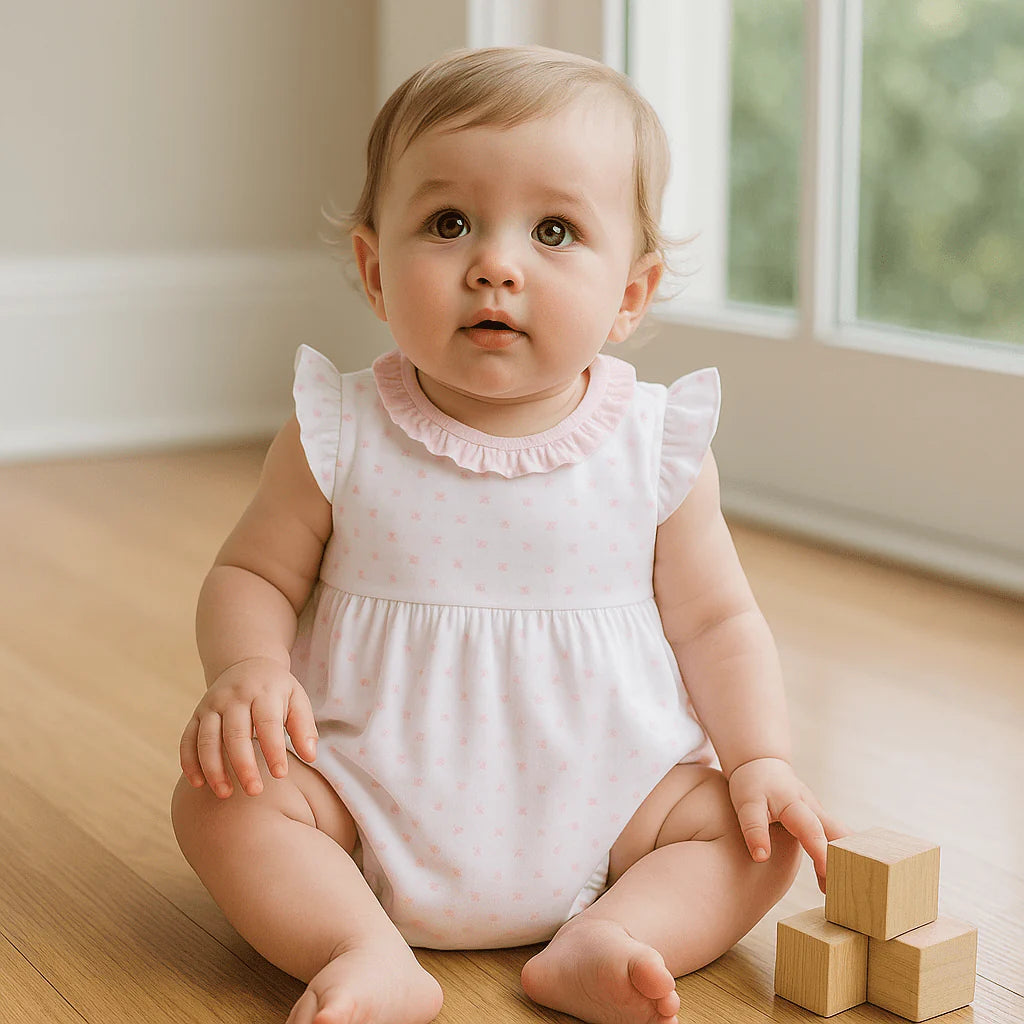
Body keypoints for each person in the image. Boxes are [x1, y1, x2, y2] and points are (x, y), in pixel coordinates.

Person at [171, 45, 845, 1024]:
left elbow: (717, 623)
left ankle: (612, 936)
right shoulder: (338, 430)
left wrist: (760, 759)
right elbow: (252, 574)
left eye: (556, 229)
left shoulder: (654, 448)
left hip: (616, 803)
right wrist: (246, 669)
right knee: (219, 805)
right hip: (364, 796)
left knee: (764, 835)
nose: (494, 262)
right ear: (372, 266)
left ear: (629, 294)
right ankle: (359, 945)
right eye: (448, 223)